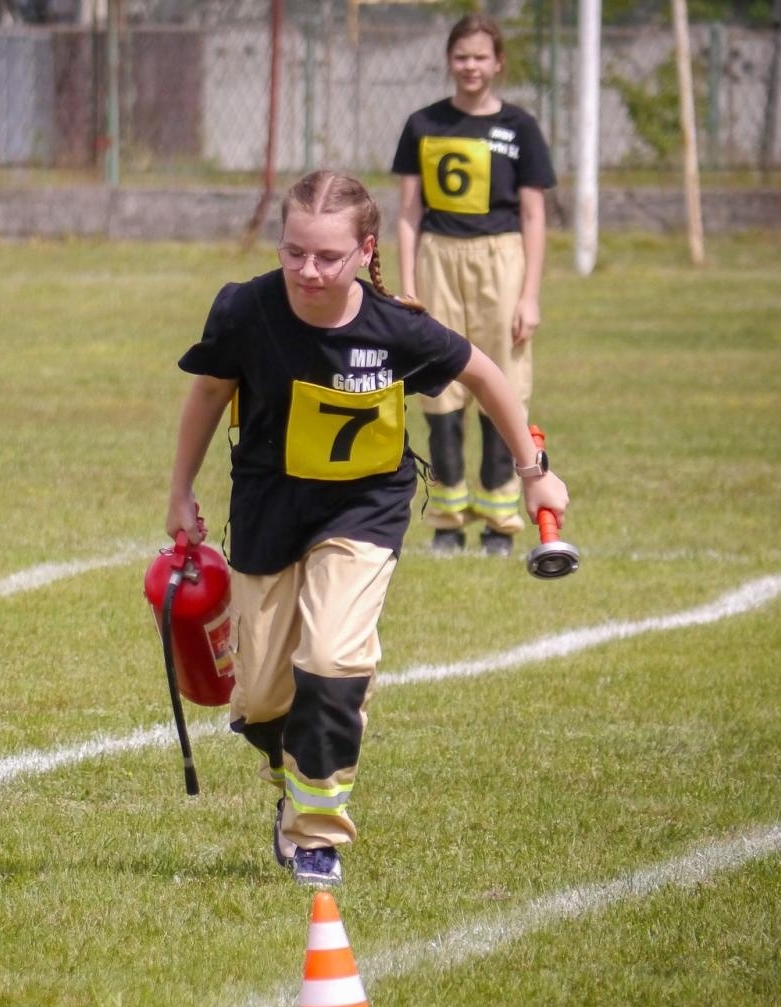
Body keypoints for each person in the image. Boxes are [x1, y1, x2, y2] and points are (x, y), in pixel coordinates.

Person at [164, 169, 568, 886]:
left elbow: (485, 376)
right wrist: (178, 491)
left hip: (364, 510)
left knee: (332, 659)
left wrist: (533, 468)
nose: (307, 271)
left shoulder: (394, 325)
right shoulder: (245, 311)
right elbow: (207, 393)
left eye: (327, 256)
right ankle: (296, 774)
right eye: (294, 252)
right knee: (258, 699)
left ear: (364, 250)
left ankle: (316, 835)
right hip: (267, 509)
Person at [392, 13, 557, 556]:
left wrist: (529, 294)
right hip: (440, 259)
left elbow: (534, 216)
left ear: (498, 62)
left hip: (500, 261)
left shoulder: (521, 128)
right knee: (440, 389)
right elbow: (409, 213)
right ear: (449, 61)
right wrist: (409, 284)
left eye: (481, 57)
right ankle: (446, 518)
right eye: (461, 56)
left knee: (503, 385)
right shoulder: (422, 124)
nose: (470, 66)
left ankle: (499, 521)